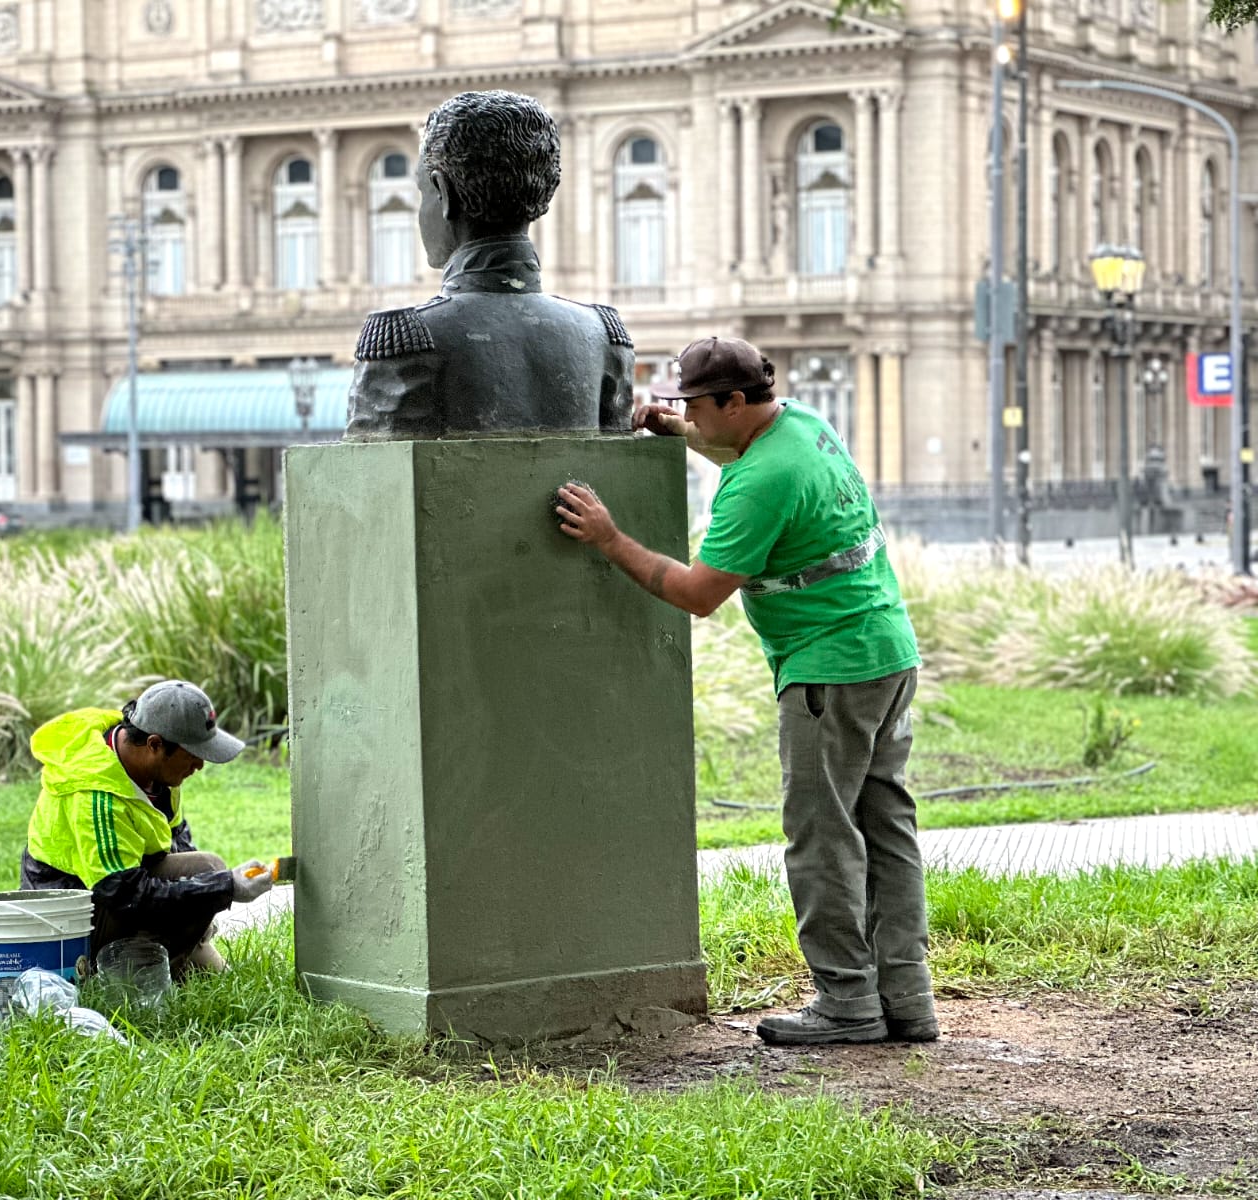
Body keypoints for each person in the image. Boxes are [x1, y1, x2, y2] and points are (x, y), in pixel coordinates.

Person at [554, 336, 937, 1046]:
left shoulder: (759, 482)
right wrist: (680, 433)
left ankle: (847, 1004)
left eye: (695, 407)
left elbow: (698, 594)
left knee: (822, 839)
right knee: (886, 830)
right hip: (886, 653)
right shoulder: (801, 425)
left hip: (830, 670)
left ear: (735, 402)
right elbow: (742, 453)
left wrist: (610, 539)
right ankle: (907, 999)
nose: (688, 417)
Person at [345, 89, 633, 439]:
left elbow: (372, 486)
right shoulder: (605, 335)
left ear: (444, 194)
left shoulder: (404, 345)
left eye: (423, 195)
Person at [21, 680, 275, 978]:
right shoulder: (96, 797)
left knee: (206, 873)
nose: (200, 765)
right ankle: (124, 978)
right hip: (70, 920)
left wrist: (201, 908)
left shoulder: (160, 773)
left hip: (118, 889)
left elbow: (176, 842)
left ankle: (170, 959)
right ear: (155, 744)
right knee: (211, 871)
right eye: (193, 754)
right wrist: (224, 887)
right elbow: (125, 896)